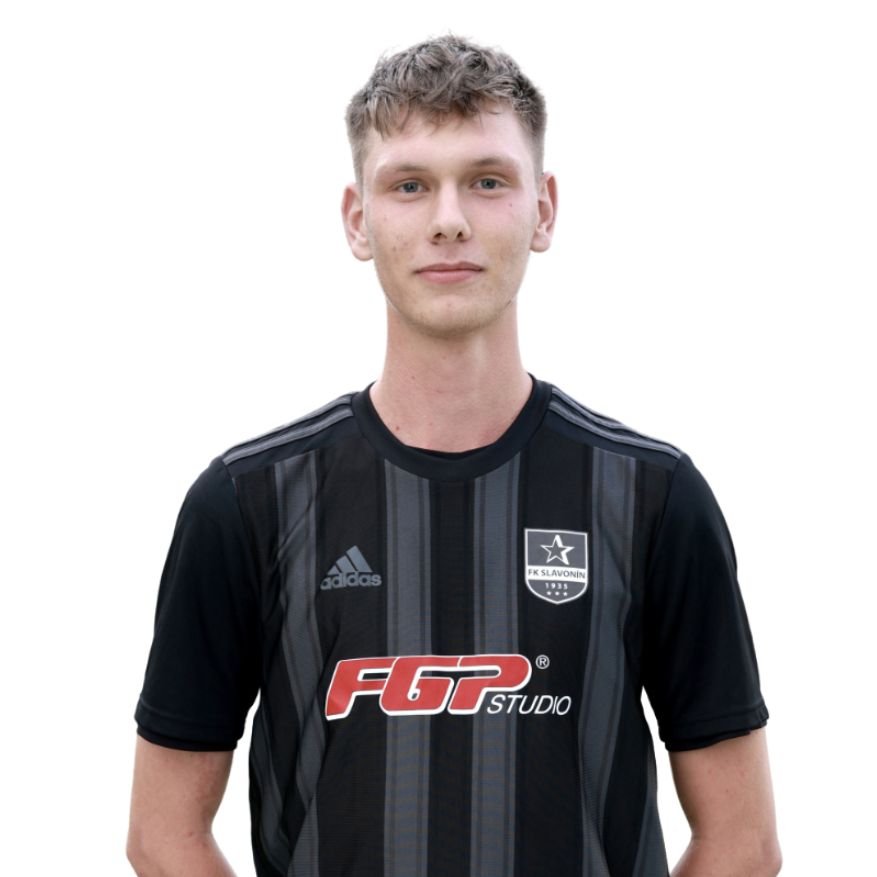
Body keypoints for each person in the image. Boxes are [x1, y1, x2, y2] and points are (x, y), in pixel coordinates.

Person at [127, 33, 781, 877]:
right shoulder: (246, 501)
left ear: (543, 209)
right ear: (358, 219)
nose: (448, 218)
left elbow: (742, 841)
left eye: (486, 180)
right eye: (409, 184)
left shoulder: (652, 496)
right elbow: (163, 834)